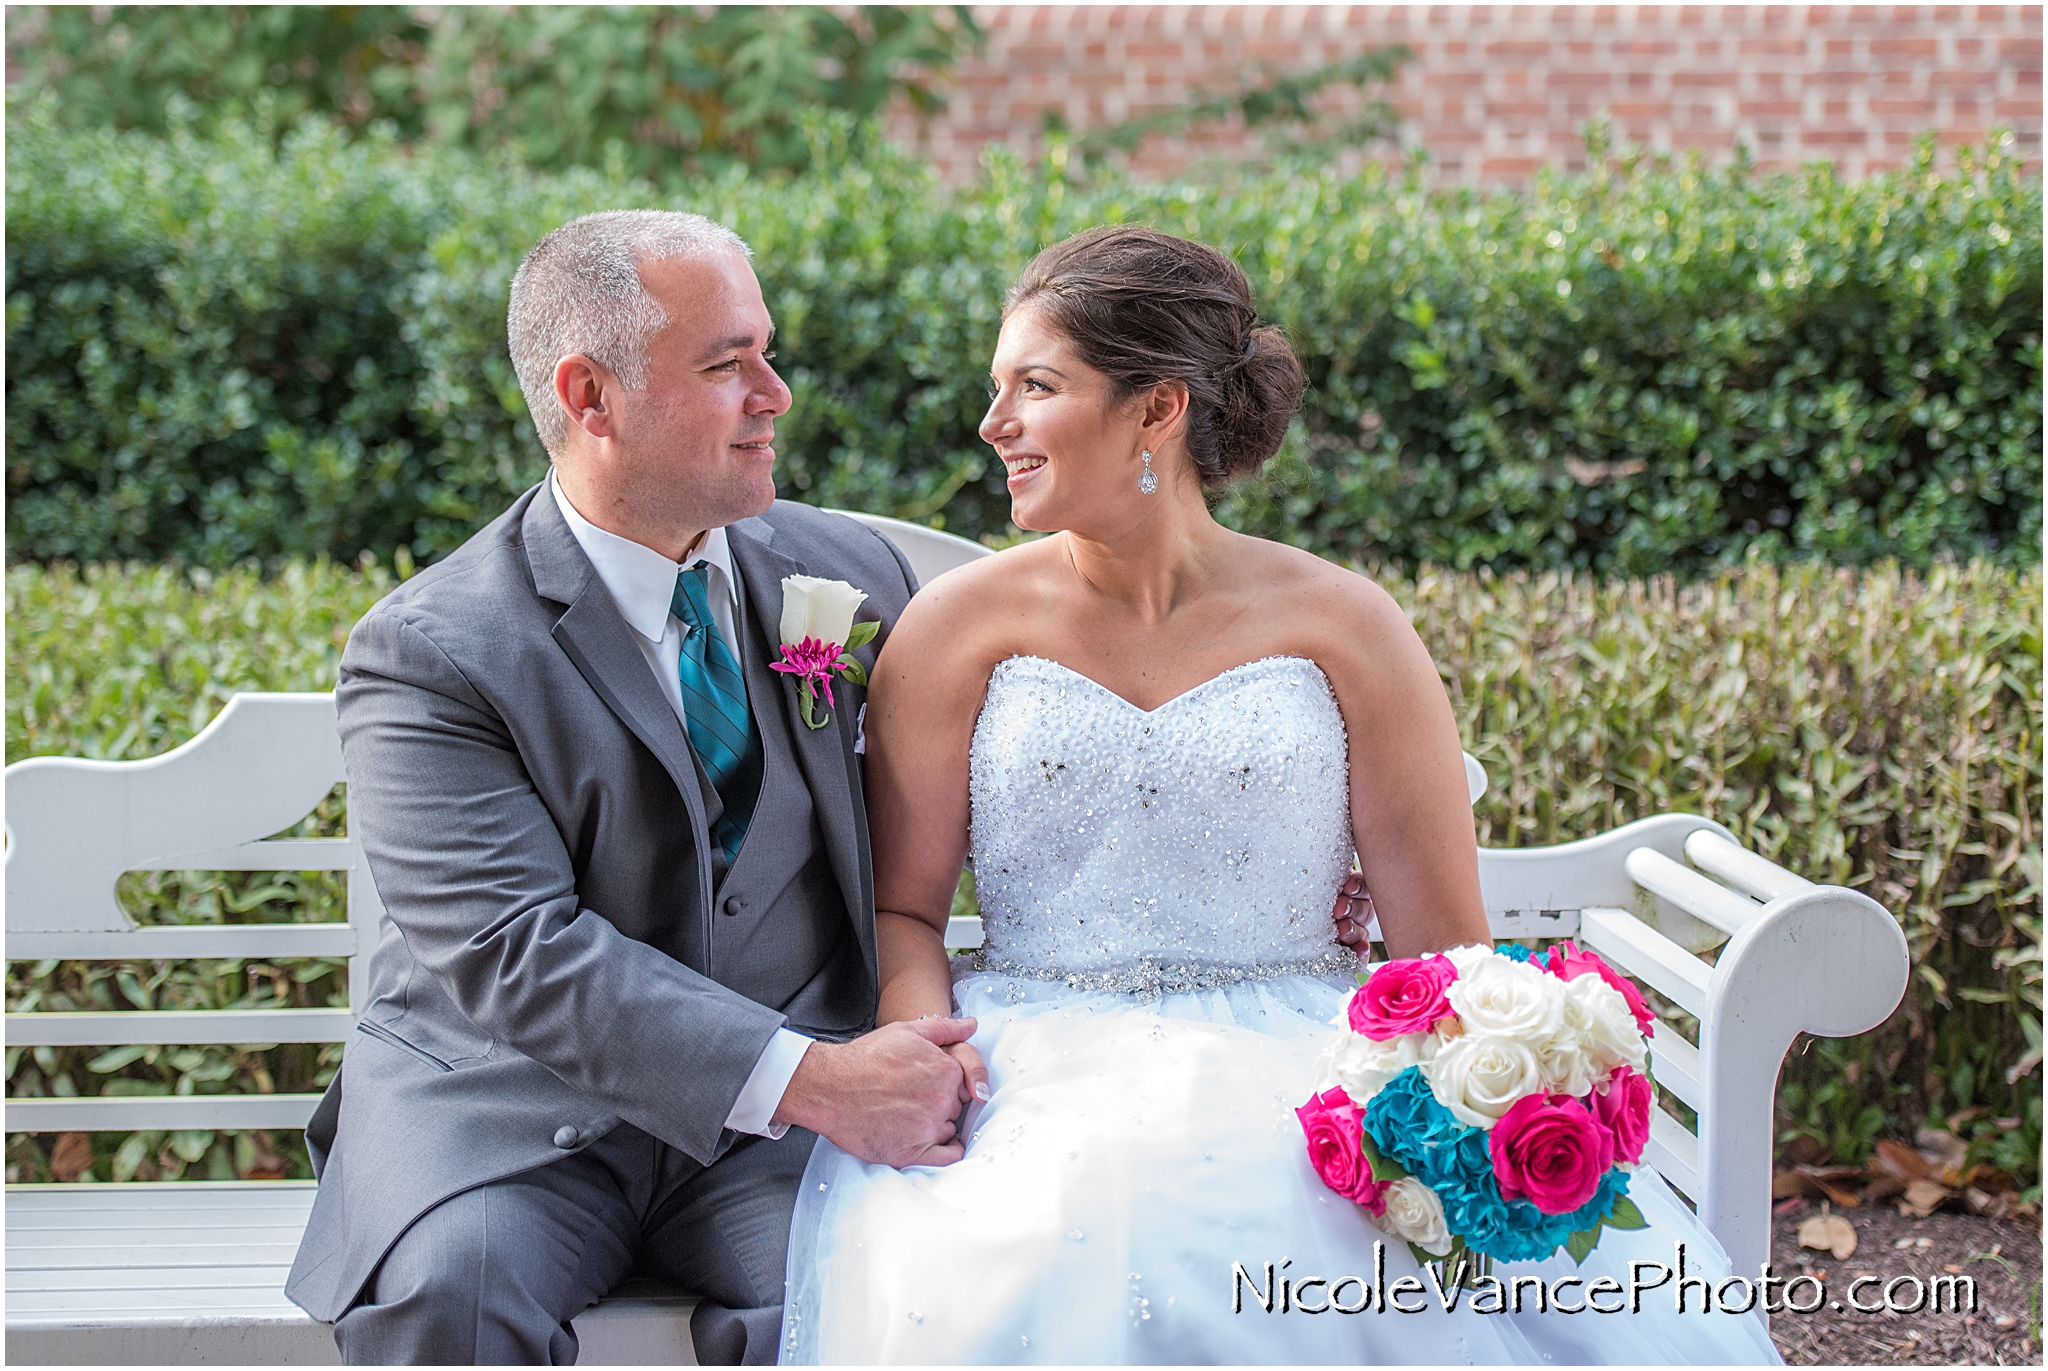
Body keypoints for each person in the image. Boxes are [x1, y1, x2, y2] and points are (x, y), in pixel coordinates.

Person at [776, 226, 1782, 1365]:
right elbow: (902, 909)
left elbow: (1445, 951)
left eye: (1034, 388)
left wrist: (1452, 1094)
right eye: (994, 389)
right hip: (1029, 1057)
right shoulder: (956, 628)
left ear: (1155, 411)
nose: (991, 424)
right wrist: (922, 1044)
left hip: (1305, 1055)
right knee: (1078, 1223)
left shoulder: (1342, 624)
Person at [283, 210, 986, 1365]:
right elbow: (514, 949)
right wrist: (812, 1081)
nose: (776, 394)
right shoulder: (431, 650)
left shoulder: (846, 577)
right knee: (449, 1297)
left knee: (887, 1297)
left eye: (767, 351)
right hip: (513, 1118)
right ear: (590, 395)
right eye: (727, 365)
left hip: (779, 1142)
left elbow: (994, 783)